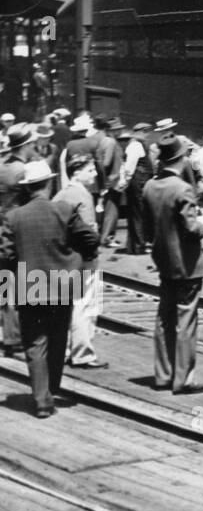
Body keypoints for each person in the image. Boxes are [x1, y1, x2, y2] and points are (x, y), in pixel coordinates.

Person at [0, 160, 99, 416]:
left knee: (35, 342)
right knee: (57, 339)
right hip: (64, 284)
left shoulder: (14, 216)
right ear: (49, 183)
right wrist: (79, 258)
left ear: (27, 188)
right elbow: (90, 238)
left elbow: (5, 255)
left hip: (31, 286)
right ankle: (51, 387)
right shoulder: (64, 210)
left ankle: (42, 399)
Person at [142, 136, 203, 394]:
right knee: (186, 320)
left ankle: (163, 374)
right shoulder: (182, 189)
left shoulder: (149, 186)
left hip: (164, 261)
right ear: (181, 159)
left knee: (164, 317)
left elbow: (147, 229)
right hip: (187, 264)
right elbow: (191, 227)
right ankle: (184, 379)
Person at [55, 154, 109, 369]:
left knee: (68, 306)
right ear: (77, 172)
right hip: (84, 261)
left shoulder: (61, 194)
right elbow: (88, 233)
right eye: (90, 170)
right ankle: (83, 352)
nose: (95, 174)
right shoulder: (82, 196)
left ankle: (67, 349)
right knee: (84, 307)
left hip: (65, 259)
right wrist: (93, 254)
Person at [0, 124, 37, 357]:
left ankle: (9, 333)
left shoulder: (3, 166)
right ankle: (17, 336)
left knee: (5, 283)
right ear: (27, 145)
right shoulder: (24, 172)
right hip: (18, 230)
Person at [122, 122, 154, 255]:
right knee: (138, 213)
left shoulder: (138, 145)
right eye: (147, 132)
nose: (148, 135)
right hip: (137, 182)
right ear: (142, 132)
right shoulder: (135, 145)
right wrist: (126, 181)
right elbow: (129, 167)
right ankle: (138, 245)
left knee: (139, 212)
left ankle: (137, 244)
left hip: (140, 181)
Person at [94, 117, 124, 247]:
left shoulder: (104, 141)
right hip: (113, 180)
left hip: (109, 179)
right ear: (111, 130)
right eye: (117, 129)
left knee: (109, 209)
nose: (120, 131)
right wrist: (109, 177)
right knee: (112, 210)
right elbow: (105, 163)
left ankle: (107, 236)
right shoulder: (111, 142)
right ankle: (106, 237)